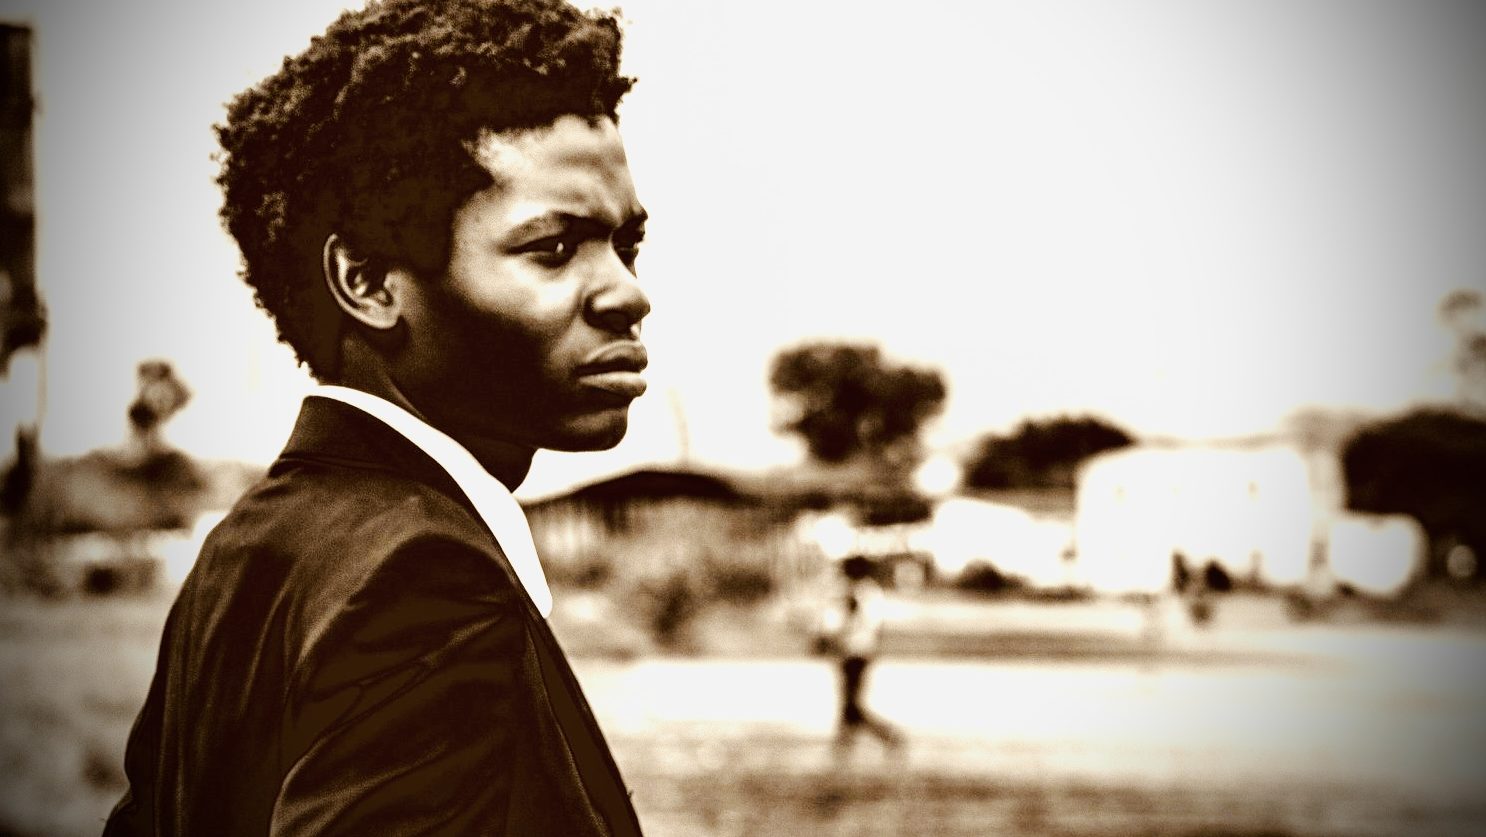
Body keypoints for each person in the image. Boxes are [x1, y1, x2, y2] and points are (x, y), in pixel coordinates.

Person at [104, 1, 649, 834]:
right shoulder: (425, 577)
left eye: (626, 245)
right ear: (365, 281)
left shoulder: (245, 549)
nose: (628, 294)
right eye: (553, 246)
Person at [826, 555, 904, 754]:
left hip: (855, 651)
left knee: (852, 704)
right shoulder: (868, 592)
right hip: (860, 650)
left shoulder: (859, 593)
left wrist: (835, 636)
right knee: (848, 701)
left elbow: (850, 622)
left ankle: (888, 735)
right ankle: (843, 746)